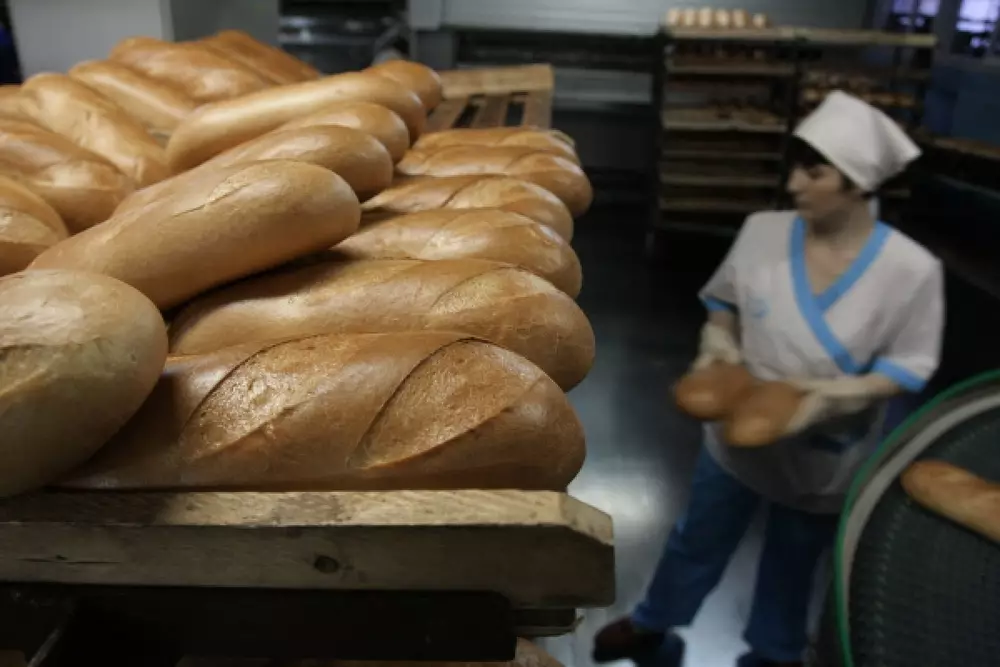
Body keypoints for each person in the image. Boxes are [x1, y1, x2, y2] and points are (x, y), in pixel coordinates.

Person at [592, 91, 945, 667]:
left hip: (823, 449)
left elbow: (908, 365)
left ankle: (775, 652)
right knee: (697, 535)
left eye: (815, 173)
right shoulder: (764, 232)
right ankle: (654, 621)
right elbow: (724, 301)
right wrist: (718, 342)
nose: (795, 185)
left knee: (793, 559)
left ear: (859, 183)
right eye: (794, 168)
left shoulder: (910, 271)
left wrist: (831, 399)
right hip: (736, 430)